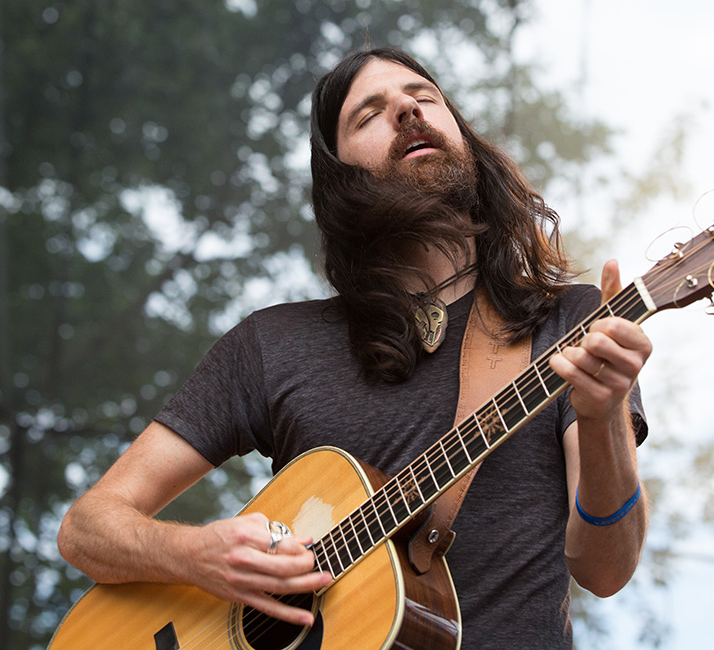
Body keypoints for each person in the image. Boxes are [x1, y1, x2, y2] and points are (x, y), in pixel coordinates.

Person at [57, 46, 653, 649]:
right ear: (340, 179)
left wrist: (603, 417)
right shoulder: (271, 345)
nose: (405, 109)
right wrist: (195, 554)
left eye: (424, 98)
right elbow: (86, 529)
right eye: (368, 114)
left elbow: (605, 571)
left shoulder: (573, 324)